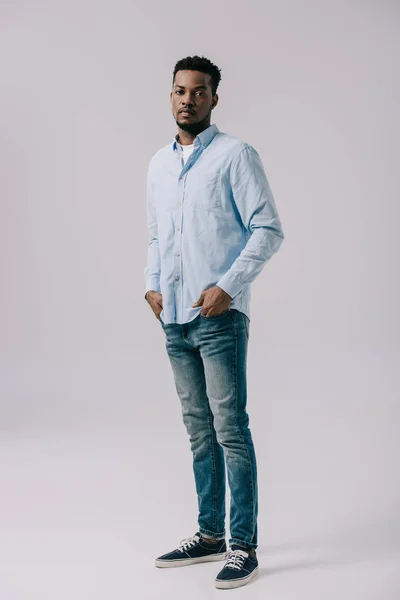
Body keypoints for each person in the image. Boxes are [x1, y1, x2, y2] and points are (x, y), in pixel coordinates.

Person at [144, 55, 284, 590]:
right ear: (171, 94)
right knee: (198, 431)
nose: (187, 99)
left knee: (231, 431)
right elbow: (158, 235)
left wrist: (228, 286)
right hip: (174, 318)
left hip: (218, 317)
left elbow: (267, 228)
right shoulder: (158, 163)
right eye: (180, 90)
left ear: (214, 98)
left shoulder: (235, 155)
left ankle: (242, 545)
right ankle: (208, 536)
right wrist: (151, 284)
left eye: (199, 92)